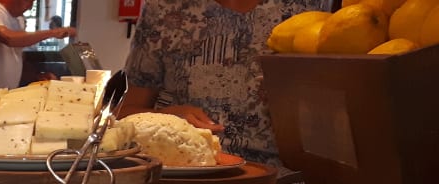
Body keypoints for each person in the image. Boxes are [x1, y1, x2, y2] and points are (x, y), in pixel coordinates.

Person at [120, 0, 329, 166]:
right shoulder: (163, 8)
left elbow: (332, 120)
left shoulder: (308, 8)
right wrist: (168, 120)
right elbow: (122, 113)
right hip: (185, 180)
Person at [0, 0, 76, 93]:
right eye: (30, 1)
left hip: (8, 93)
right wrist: (53, 33)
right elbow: (9, 39)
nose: (30, 7)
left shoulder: (19, 19)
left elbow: (16, 56)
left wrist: (37, 76)